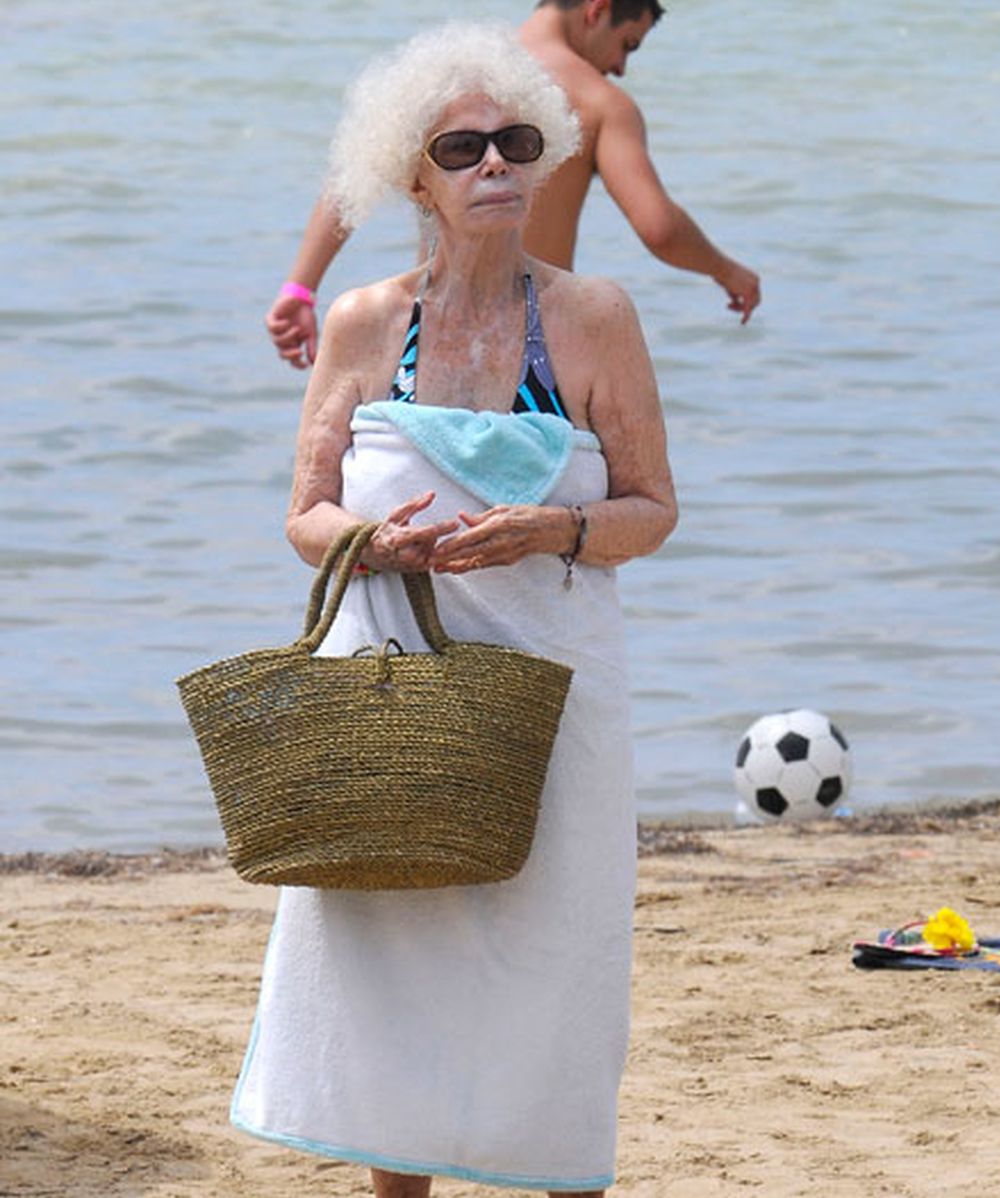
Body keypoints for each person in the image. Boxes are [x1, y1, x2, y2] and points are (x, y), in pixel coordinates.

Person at [231, 23, 677, 1198]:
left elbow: (652, 509)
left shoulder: (593, 316)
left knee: (560, 951)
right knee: (400, 944)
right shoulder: (366, 323)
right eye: (463, 146)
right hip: (393, 681)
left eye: (516, 142)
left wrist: (554, 528)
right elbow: (306, 516)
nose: (495, 165)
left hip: (559, 688)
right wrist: (380, 543)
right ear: (412, 175)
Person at [267, 0, 761, 371]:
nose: (620, 66)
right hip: (535, 339)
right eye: (627, 44)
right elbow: (659, 228)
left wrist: (300, 289)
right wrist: (727, 270)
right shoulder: (600, 101)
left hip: (431, 329)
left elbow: (354, 174)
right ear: (598, 9)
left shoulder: (453, 73)